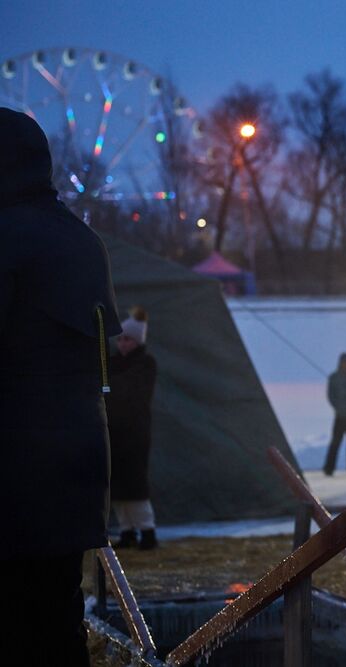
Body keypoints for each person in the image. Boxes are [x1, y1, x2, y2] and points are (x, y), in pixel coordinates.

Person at [0, 108, 121, 666]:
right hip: (74, 470)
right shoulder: (82, 240)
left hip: (13, 472)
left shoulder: (7, 238)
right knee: (56, 618)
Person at [107, 307, 159, 550]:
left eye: (127, 338)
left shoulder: (146, 364)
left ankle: (147, 531)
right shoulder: (113, 363)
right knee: (116, 484)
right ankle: (127, 530)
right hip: (114, 433)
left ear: (137, 340)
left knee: (135, 484)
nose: (122, 343)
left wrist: (110, 388)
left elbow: (130, 392)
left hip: (134, 434)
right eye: (120, 338)